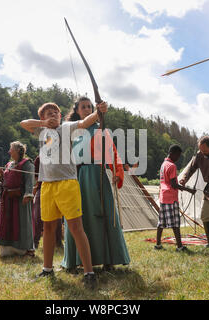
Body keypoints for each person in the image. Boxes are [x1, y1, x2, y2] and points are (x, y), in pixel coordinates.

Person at [20, 100, 108, 289]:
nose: (53, 114)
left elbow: (85, 123)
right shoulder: (41, 131)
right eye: (48, 113)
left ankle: (89, 272)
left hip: (67, 184)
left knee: (76, 228)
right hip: (47, 186)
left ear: (60, 116)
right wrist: (43, 124)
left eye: (55, 112)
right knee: (49, 228)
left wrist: (99, 112)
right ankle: (47, 269)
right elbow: (24, 123)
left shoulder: (66, 127)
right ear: (42, 118)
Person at [61, 96, 130, 271]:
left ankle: (109, 259)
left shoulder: (101, 130)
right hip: (76, 176)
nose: (86, 109)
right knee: (76, 218)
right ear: (76, 110)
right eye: (83, 107)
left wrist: (116, 171)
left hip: (97, 175)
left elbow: (112, 153)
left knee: (103, 215)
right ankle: (75, 261)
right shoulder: (72, 130)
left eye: (89, 107)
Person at [0, 141, 35, 257]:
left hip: (20, 198)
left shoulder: (27, 164)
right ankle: (8, 249)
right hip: (8, 198)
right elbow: (7, 181)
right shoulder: (9, 165)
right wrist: (2, 175)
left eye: (11, 149)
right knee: (7, 223)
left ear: (18, 151)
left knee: (22, 223)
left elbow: (30, 180)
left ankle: (26, 249)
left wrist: (28, 194)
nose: (9, 151)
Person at [155, 145, 196, 252]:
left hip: (163, 197)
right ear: (173, 153)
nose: (178, 157)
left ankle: (158, 244)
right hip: (171, 198)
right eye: (178, 155)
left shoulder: (164, 164)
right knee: (175, 223)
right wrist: (188, 189)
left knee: (161, 222)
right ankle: (179, 246)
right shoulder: (172, 166)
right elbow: (173, 184)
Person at [32, 156, 63, 250]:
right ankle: (35, 242)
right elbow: (36, 176)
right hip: (42, 188)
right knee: (38, 216)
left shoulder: (60, 158)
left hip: (58, 188)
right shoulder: (39, 158)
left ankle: (58, 242)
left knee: (57, 218)